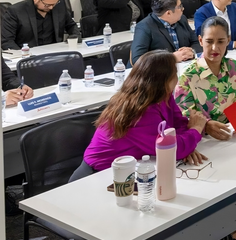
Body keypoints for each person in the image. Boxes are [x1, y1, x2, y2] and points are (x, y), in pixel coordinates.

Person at [174, 16, 236, 240]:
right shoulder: (188, 76)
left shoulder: (235, 68)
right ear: (199, 41)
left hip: (233, 136)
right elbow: (181, 117)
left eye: (221, 42)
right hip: (203, 144)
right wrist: (206, 125)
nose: (215, 48)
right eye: (209, 42)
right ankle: (227, 232)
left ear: (229, 42)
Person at [72, 50, 207, 180]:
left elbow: (178, 124)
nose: (176, 79)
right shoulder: (139, 112)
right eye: (174, 74)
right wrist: (195, 130)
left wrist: (188, 145)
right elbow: (172, 150)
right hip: (98, 175)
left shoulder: (162, 95)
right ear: (163, 80)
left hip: (126, 170)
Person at [130, 0, 201, 66]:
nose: (183, 8)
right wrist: (171, 58)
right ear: (168, 13)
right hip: (157, 72)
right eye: (180, 6)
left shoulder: (182, 19)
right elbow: (137, 60)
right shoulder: (144, 26)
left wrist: (192, 51)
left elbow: (197, 42)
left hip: (183, 67)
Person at [1, 0, 77, 50]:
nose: (51, 8)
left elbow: (71, 25)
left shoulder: (60, 5)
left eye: (54, 4)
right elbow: (7, 41)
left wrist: (75, 35)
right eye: (47, 5)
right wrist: (22, 55)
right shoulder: (16, 11)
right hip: (28, 55)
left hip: (55, 52)